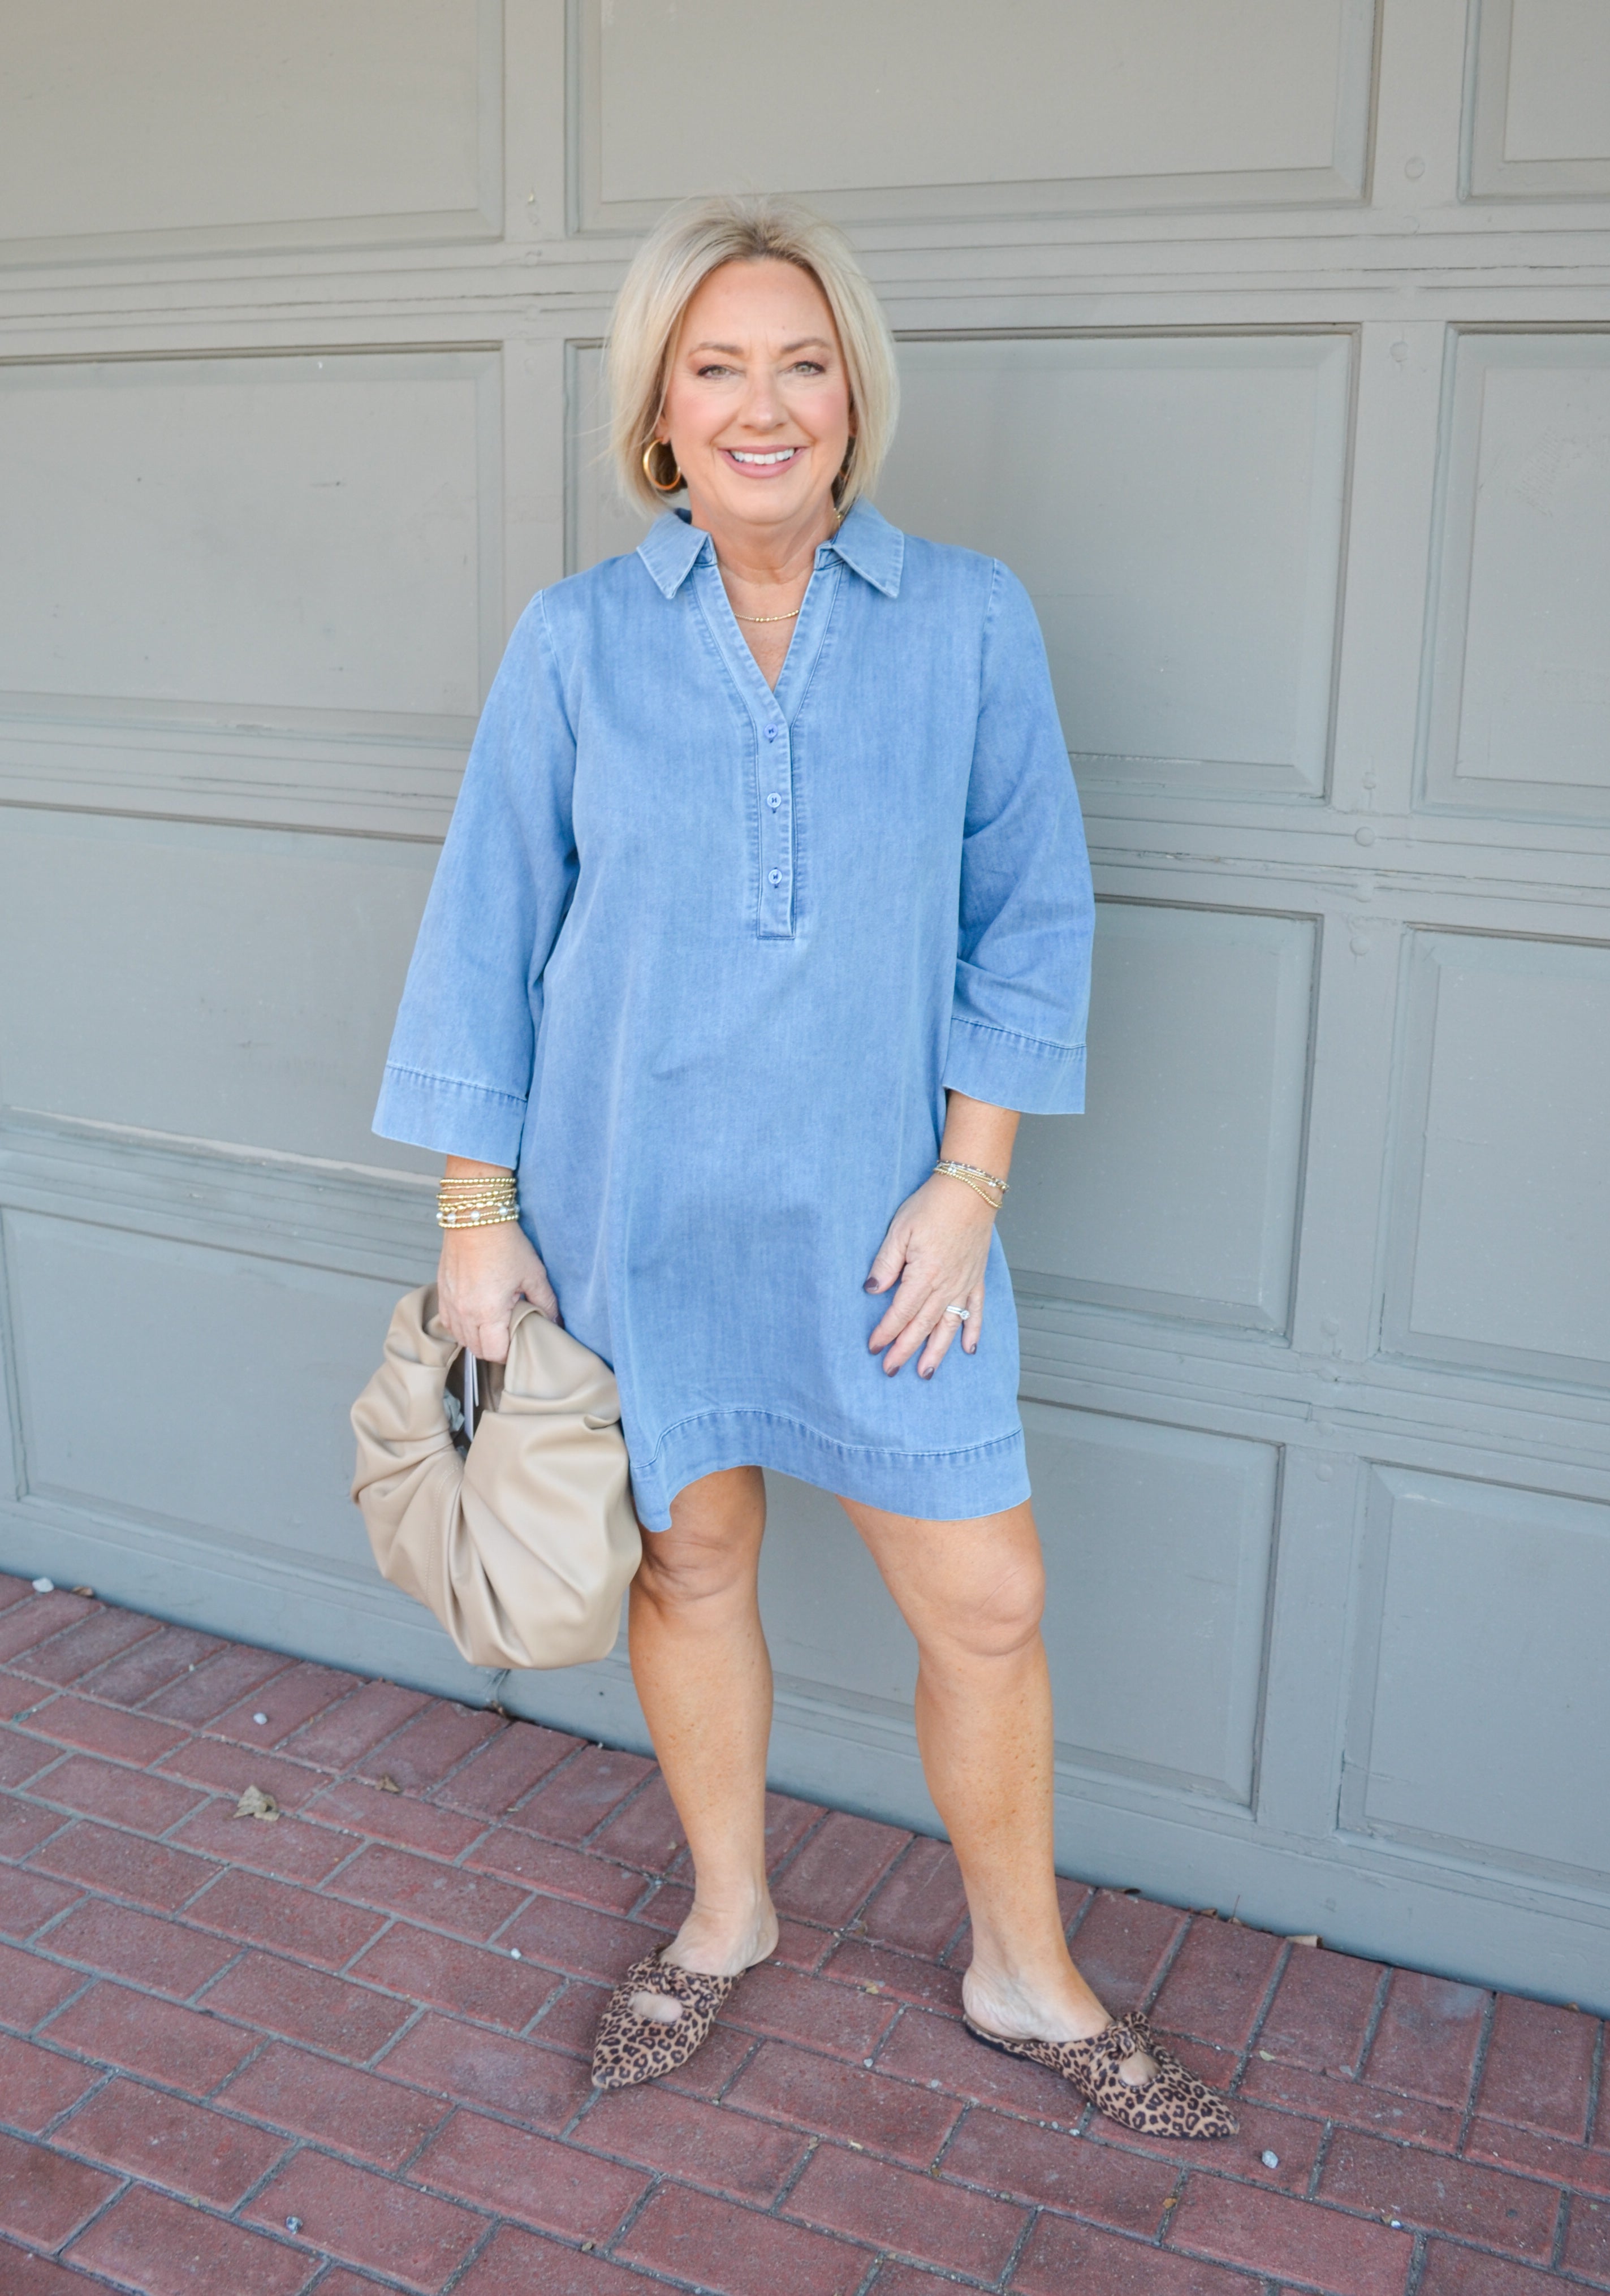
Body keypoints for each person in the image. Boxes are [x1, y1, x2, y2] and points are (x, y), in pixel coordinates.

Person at [373, 193, 1235, 2139]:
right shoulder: (579, 638)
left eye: (801, 364)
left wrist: (970, 1178)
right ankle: (727, 1912)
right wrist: (473, 1215)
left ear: (852, 395)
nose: (763, 405)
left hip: (886, 1220)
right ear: (658, 413)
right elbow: (486, 930)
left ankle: (1020, 1968)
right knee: (693, 1557)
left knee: (987, 1596)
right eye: (716, 367)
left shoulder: (969, 617)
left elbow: (1032, 915)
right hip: (638, 1203)